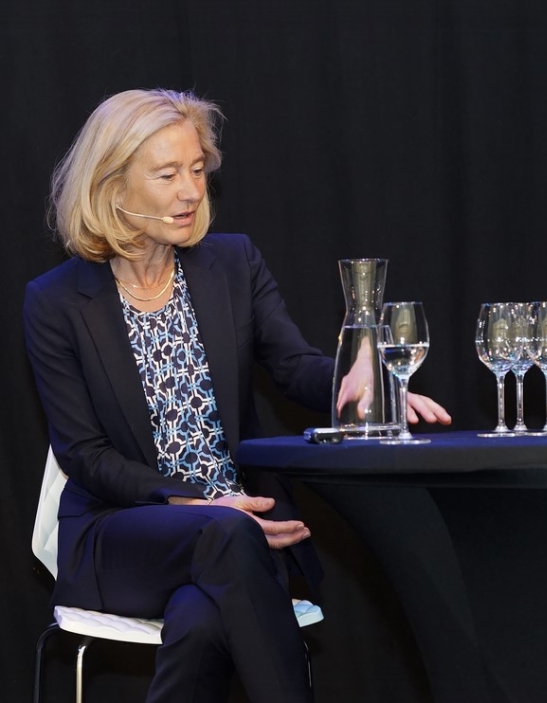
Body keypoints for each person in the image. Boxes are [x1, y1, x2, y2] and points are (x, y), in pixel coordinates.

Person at [23, 88, 451, 703]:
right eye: (168, 174)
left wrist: (348, 381)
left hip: (239, 535)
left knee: (202, 618)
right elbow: (85, 454)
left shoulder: (232, 262)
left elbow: (292, 364)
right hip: (119, 534)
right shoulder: (56, 301)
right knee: (227, 539)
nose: (192, 191)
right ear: (113, 189)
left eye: (197, 170)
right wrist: (197, 506)